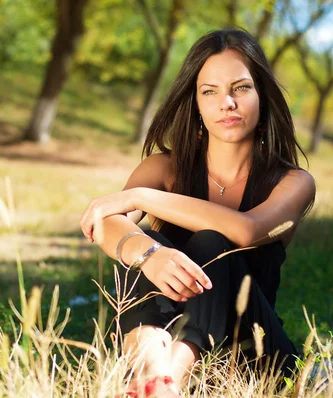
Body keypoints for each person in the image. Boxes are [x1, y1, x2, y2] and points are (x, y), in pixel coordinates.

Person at [80, 29, 315, 396]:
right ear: (196, 104)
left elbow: (247, 230)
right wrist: (149, 255)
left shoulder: (292, 181)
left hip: (256, 359)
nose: (227, 103)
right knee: (147, 244)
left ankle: (166, 379)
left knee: (210, 243)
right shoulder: (164, 168)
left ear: (262, 97)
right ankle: (151, 371)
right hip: (168, 345)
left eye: (240, 88)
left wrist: (143, 198)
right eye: (210, 92)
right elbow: (111, 222)